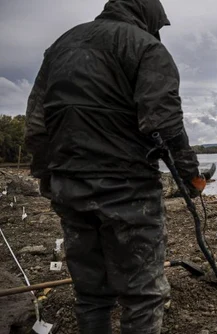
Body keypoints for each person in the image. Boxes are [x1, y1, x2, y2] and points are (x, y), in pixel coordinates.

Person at [24, 1, 200, 333]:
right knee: (143, 296)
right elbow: (163, 125)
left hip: (70, 186)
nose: (159, 32)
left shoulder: (62, 46)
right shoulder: (145, 46)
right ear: (149, 15)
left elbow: (36, 125)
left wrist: (48, 177)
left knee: (91, 294)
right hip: (128, 189)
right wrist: (191, 177)